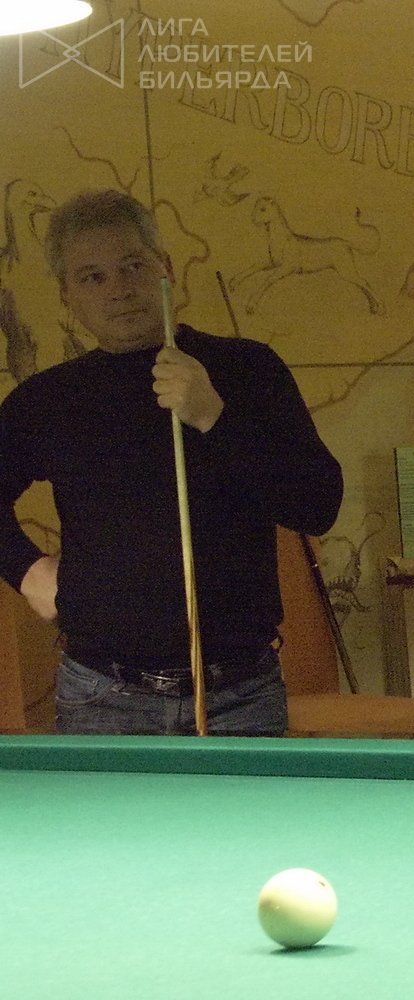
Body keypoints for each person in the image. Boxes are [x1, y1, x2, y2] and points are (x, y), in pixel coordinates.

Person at [0, 190, 343, 735]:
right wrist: (26, 570)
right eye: (92, 277)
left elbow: (318, 504)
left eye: (133, 266)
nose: (118, 289)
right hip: (101, 696)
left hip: (241, 693)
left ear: (166, 268)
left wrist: (214, 417)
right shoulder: (49, 400)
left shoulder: (248, 369)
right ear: (67, 296)